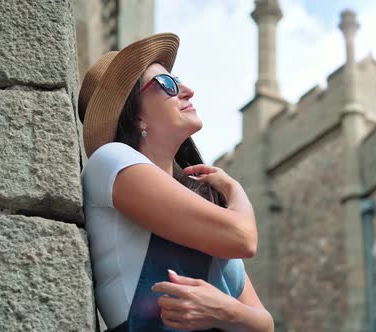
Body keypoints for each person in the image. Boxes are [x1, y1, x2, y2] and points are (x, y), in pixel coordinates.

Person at [79, 33, 274, 332]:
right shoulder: (111, 160)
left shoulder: (203, 206)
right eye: (167, 85)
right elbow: (244, 237)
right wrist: (236, 191)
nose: (187, 91)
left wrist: (224, 310)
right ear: (135, 117)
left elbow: (265, 323)